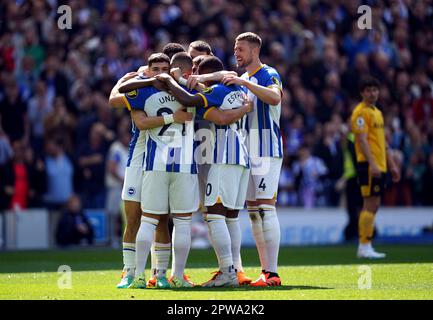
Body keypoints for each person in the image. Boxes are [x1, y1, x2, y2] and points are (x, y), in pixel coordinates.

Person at [155, 55, 253, 287]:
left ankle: (228, 271)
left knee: (215, 214)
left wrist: (170, 81)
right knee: (230, 216)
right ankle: (233, 270)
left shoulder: (215, 91)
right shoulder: (236, 90)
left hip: (224, 157)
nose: (194, 76)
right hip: (242, 157)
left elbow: (191, 98)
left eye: (198, 71)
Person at [109, 54, 193, 289]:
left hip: (161, 161)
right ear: (148, 69)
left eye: (164, 68)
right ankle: (130, 272)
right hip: (139, 159)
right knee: (134, 217)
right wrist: (134, 81)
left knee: (161, 220)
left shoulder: (178, 90)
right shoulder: (141, 89)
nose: (160, 72)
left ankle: (160, 274)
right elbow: (121, 105)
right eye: (155, 68)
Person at [221, 32, 284, 286]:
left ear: (255, 51)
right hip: (247, 151)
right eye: (235, 49)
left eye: (241, 49)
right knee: (254, 212)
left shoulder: (268, 73)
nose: (236, 53)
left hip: (266, 148)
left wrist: (245, 84)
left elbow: (275, 97)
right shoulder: (244, 77)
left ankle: (272, 273)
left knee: (266, 208)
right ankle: (263, 271)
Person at [350, 76, 401, 259]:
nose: (372, 93)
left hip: (380, 165)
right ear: (362, 92)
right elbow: (362, 141)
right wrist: (372, 163)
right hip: (368, 164)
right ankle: (364, 246)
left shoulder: (377, 112)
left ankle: (366, 244)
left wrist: (392, 164)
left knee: (375, 204)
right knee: (370, 204)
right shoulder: (360, 113)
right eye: (368, 90)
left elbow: (383, 142)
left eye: (375, 90)